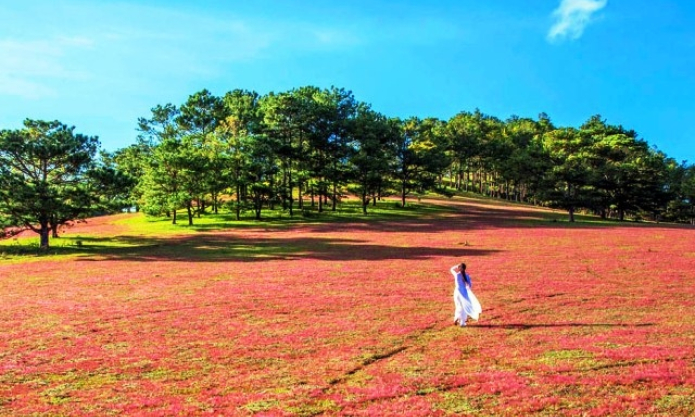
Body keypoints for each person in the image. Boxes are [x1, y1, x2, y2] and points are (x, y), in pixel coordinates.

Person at [450, 262, 482, 327]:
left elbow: (451, 269)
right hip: (464, 292)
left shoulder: (456, 275)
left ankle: (457, 317)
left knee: (458, 305)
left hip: (457, 292)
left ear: (459, 268)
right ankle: (462, 322)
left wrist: (456, 266)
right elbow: (470, 285)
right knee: (464, 306)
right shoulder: (467, 276)